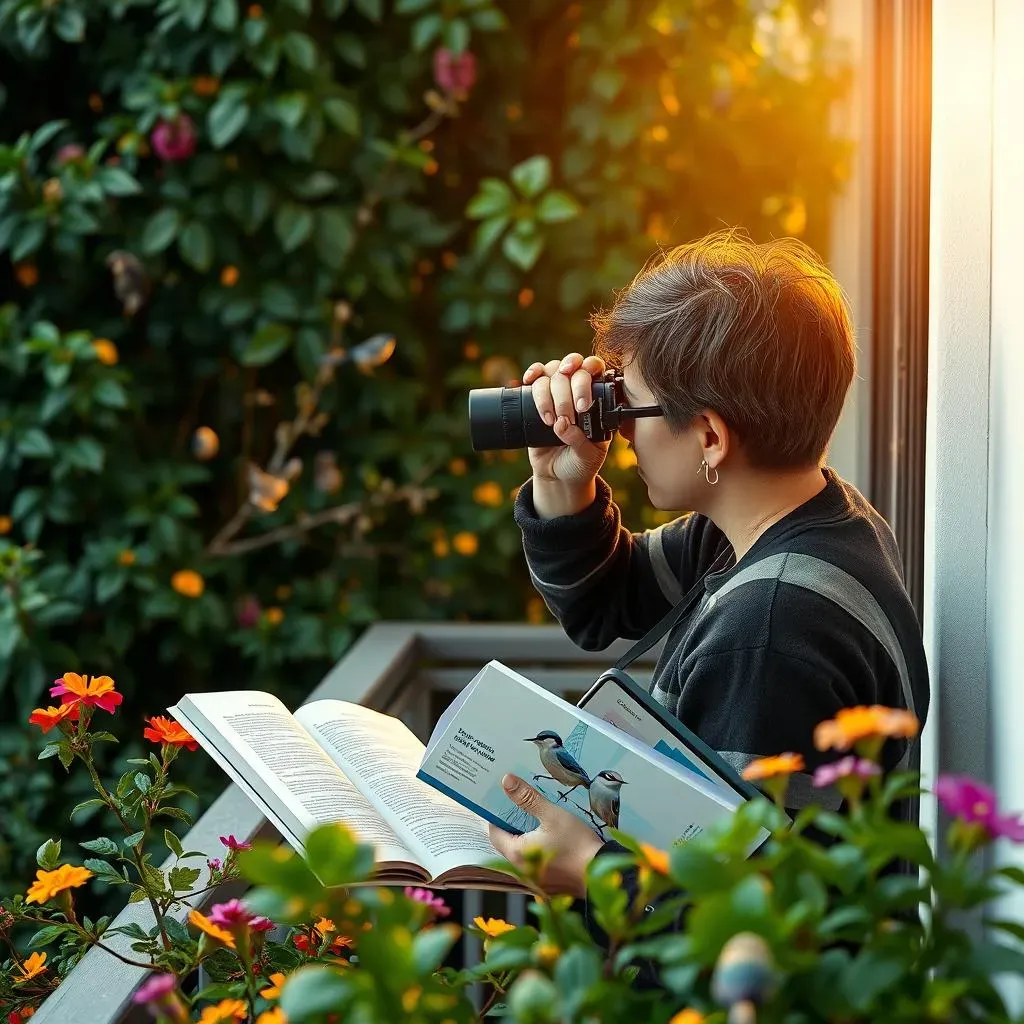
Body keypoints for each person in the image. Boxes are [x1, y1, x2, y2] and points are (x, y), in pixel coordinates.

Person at [487, 229, 931, 910]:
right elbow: (604, 605)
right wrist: (562, 482)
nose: (620, 432)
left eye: (626, 405)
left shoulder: (772, 629)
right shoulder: (801, 522)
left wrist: (589, 872)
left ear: (711, 438)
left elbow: (751, 914)